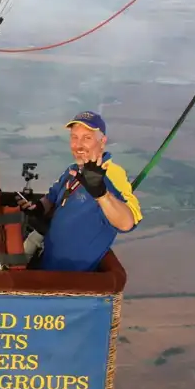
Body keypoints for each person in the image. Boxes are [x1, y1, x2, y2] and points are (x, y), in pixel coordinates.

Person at [22, 111, 142, 272]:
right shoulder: (72, 171)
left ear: (102, 142)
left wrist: (101, 193)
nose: (78, 145)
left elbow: (128, 222)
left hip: (73, 282)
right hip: (48, 267)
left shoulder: (112, 174)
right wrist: (37, 208)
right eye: (74, 137)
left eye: (87, 138)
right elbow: (51, 198)